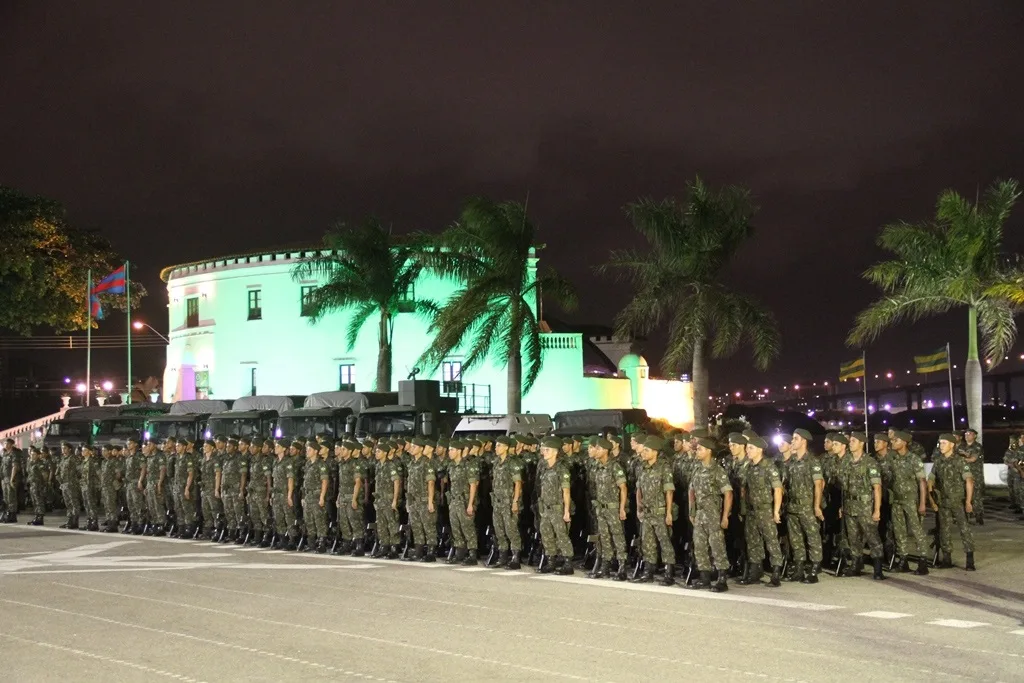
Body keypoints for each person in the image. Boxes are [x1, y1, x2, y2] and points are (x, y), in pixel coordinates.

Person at [835, 434, 885, 580]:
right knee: (853, 537)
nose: (850, 443)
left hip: (865, 506)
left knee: (872, 536)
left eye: (853, 441)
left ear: (861, 443)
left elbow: (877, 488)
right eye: (850, 441)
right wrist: (841, 506)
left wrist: (876, 509)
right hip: (849, 505)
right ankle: (856, 564)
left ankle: (878, 568)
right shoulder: (847, 462)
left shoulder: (870, 463)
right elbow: (844, 487)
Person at [687, 437, 733, 592]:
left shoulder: (718, 470)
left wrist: (725, 515)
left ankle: (722, 578)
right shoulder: (697, 469)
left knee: (717, 546)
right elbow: (691, 490)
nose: (697, 451)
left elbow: (728, 494)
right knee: (700, 546)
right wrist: (692, 511)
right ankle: (705, 577)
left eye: (700, 449)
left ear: (708, 451)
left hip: (714, 513)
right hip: (700, 513)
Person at [739, 435, 784, 587]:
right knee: (753, 542)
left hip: (765, 510)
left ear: (759, 450)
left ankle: (776, 572)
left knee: (771, 541)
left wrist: (776, 511)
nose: (747, 451)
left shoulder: (769, 466)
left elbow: (778, 489)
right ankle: (755, 571)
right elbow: (744, 489)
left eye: (750, 448)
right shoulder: (748, 467)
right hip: (752, 511)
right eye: (747, 448)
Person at [884, 432, 929, 575]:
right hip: (897, 500)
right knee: (899, 532)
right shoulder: (893, 459)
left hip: (911, 501)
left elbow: (922, 482)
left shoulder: (914, 459)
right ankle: (903, 560)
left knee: (917, 531)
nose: (893, 442)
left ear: (904, 442)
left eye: (896, 440)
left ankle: (923, 561)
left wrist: (922, 503)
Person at [928, 434, 976, 570]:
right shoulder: (938, 461)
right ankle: (947, 559)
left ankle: (970, 559)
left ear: (952, 445)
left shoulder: (960, 461)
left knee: (964, 530)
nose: (941, 446)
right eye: (940, 443)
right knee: (944, 530)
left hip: (958, 501)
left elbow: (969, 481)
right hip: (943, 502)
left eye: (944, 443)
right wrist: (932, 498)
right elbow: (930, 479)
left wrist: (968, 501)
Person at [783, 428, 824, 583]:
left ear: (804, 441)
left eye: (795, 439)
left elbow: (818, 485)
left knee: (812, 537)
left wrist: (816, 506)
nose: (792, 441)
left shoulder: (812, 461)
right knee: (796, 539)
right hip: (792, 506)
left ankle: (814, 569)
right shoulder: (791, 462)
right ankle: (799, 568)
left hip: (807, 506)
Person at [634, 435, 676, 585]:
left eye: (646, 450)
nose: (643, 453)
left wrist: (669, 512)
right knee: (647, 543)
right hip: (646, 512)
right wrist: (639, 508)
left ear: (655, 452)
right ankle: (648, 572)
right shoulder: (642, 468)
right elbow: (638, 489)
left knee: (665, 542)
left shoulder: (664, 468)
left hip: (660, 512)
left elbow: (669, 491)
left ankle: (668, 572)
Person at [588, 435, 628, 580]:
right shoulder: (597, 467)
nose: (596, 451)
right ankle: (606, 565)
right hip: (601, 508)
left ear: (605, 450)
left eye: (598, 448)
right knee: (604, 537)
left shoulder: (615, 466)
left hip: (613, 508)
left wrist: (622, 508)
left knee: (617, 536)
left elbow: (623, 488)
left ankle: (622, 566)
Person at [536, 437, 574, 575]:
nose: (544, 452)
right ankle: (551, 561)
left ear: (555, 452)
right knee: (546, 535)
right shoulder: (545, 468)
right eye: (543, 449)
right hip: (545, 508)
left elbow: (566, 491)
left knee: (562, 536)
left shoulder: (561, 469)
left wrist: (566, 511)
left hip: (558, 508)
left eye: (547, 450)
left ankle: (568, 563)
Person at [444, 440, 480, 565]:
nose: (449, 452)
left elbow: (473, 485)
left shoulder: (468, 465)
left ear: (459, 451)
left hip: (464, 502)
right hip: (454, 501)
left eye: (452, 450)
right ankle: (459, 553)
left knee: (468, 528)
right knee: (456, 528)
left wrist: (470, 504)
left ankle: (472, 555)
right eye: (449, 450)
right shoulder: (451, 466)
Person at [403, 437, 436, 561]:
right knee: (416, 527)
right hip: (413, 500)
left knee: (428, 526)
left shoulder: (426, 462)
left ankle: (431, 553)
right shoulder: (411, 463)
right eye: (411, 446)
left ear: (421, 449)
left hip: (423, 499)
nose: (411, 448)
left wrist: (430, 501)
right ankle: (418, 551)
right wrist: (408, 502)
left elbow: (431, 482)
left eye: (414, 446)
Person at [334, 440, 365, 556]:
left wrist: (354, 498)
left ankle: (359, 545)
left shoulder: (355, 464)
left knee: (355, 522)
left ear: (350, 451)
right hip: (343, 497)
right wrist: (338, 497)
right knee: (344, 522)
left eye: (344, 449)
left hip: (351, 496)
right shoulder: (342, 464)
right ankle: (346, 544)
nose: (341, 451)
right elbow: (341, 484)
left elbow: (358, 482)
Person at [373, 441, 403, 559]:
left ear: (385, 453)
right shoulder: (378, 466)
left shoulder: (391, 465)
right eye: (376, 451)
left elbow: (396, 482)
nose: (376, 453)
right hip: (380, 500)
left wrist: (395, 500)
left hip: (389, 499)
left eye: (379, 451)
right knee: (381, 525)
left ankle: (394, 548)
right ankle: (383, 547)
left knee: (392, 524)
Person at [301, 440, 330, 553]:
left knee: (319, 521)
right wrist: (303, 496)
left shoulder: (321, 464)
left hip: (317, 495)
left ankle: (321, 544)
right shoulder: (308, 464)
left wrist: (322, 496)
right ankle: (311, 543)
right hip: (308, 496)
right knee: (309, 520)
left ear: (315, 451)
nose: (307, 451)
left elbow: (324, 481)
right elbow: (305, 482)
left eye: (309, 449)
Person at [247, 438, 273, 546]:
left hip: (261, 492)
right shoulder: (252, 460)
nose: (251, 448)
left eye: (253, 446)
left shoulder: (264, 460)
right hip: (253, 492)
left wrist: (268, 494)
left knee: (264, 516)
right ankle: (257, 537)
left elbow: (268, 478)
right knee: (254, 515)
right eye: (251, 446)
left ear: (259, 448)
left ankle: (266, 537)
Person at [957, 429, 984, 525]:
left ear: (975, 436)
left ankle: (978, 515)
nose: (967, 435)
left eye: (969, 434)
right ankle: (966, 516)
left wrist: (960, 459)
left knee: (976, 496)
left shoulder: (977, 447)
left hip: (975, 475)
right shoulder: (961, 446)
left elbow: (972, 459)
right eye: (965, 434)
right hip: (963, 474)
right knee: (964, 495)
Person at [123, 437, 147, 534]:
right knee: (131, 505)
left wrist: (140, 481)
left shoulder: (139, 456)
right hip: (129, 484)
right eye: (128, 444)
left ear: (135, 444)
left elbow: (143, 469)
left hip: (136, 482)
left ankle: (141, 525)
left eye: (130, 444)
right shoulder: (129, 457)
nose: (128, 445)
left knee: (138, 505)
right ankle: (134, 524)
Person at [56, 442, 82, 529]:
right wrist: (61, 482)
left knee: (74, 503)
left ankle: (75, 521)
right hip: (64, 485)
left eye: (65, 448)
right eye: (62, 448)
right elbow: (57, 472)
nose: (63, 450)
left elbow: (80, 471)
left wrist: (75, 481)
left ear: (70, 449)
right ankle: (69, 520)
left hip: (72, 484)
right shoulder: (63, 459)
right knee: (68, 503)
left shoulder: (73, 458)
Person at [25, 447, 48, 526]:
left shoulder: (40, 464)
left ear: (38, 455)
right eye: (31, 454)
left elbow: (45, 475)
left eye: (34, 454)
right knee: (34, 502)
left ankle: (40, 518)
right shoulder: (31, 463)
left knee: (39, 501)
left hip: (38, 485)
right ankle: (36, 516)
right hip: (32, 485)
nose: (32, 456)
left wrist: (44, 484)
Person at [1, 439, 21, 523]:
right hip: (5, 478)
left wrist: (12, 479)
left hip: (11, 478)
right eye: (5, 443)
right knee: (6, 498)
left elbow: (15, 467)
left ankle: (12, 515)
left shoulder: (14, 454)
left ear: (11, 444)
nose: (6, 445)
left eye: (8, 443)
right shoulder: (5, 454)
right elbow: (2, 468)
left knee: (11, 497)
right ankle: (7, 513)